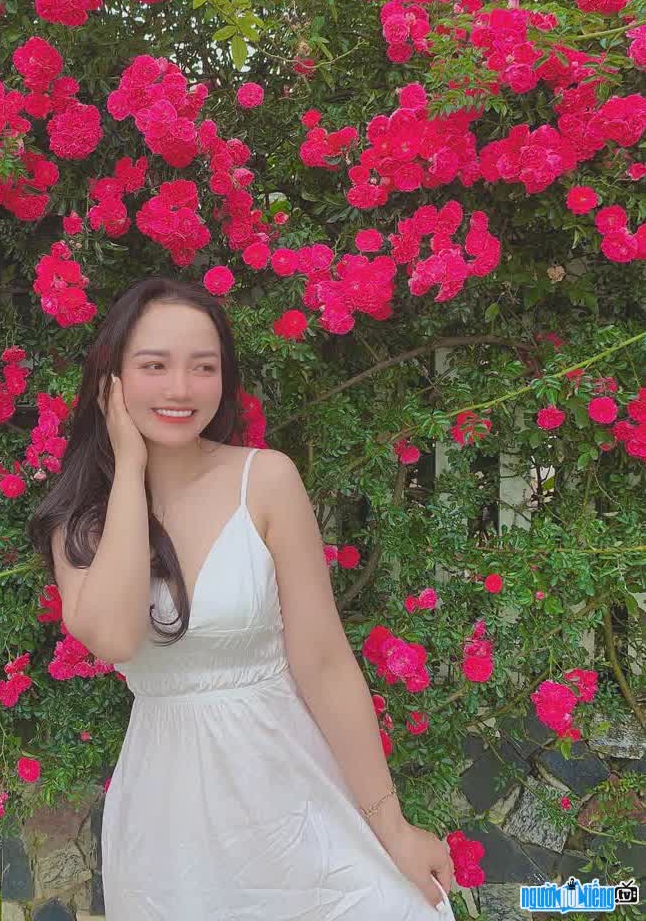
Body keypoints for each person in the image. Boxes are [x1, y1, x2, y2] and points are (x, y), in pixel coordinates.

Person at [29, 276, 456, 920]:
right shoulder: (81, 524)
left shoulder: (266, 480)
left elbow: (324, 662)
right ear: (110, 381)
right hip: (170, 817)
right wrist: (130, 474)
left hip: (289, 788)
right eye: (154, 366)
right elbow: (114, 638)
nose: (180, 388)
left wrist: (391, 825)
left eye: (203, 367)